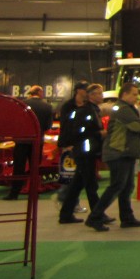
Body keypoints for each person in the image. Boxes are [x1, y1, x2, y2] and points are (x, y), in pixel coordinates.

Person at [85, 83, 140, 231]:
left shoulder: (126, 108)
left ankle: (127, 217)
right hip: (118, 153)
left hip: (125, 153)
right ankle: (95, 217)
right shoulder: (123, 109)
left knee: (126, 187)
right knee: (117, 185)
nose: (137, 97)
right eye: (133, 94)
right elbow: (138, 126)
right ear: (124, 94)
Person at [59, 84, 112, 224]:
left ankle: (66, 214)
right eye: (99, 93)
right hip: (85, 151)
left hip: (87, 151)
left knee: (77, 185)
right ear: (91, 95)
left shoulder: (93, 110)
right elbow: (80, 131)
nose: (102, 96)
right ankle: (97, 214)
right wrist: (99, 134)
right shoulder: (86, 111)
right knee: (90, 185)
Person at [3, 85, 53, 200]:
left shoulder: (21, 104)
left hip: (22, 140)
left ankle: (14, 193)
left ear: (30, 93)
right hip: (37, 141)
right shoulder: (47, 106)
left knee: (18, 167)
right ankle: (34, 192)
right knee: (35, 168)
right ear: (40, 93)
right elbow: (48, 126)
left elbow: (15, 122)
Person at [54, 80, 89, 209]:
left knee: (78, 175)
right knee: (69, 174)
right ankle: (64, 199)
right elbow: (66, 126)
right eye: (85, 89)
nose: (87, 92)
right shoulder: (68, 106)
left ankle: (70, 201)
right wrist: (67, 144)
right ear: (78, 90)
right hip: (70, 145)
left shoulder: (86, 105)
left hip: (81, 144)